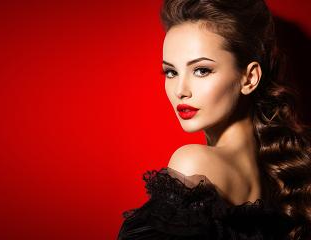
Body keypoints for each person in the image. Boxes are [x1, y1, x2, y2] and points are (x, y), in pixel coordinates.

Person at [117, 0, 311, 239]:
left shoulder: (193, 163)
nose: (180, 90)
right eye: (171, 72)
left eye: (201, 70)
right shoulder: (284, 176)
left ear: (249, 78)